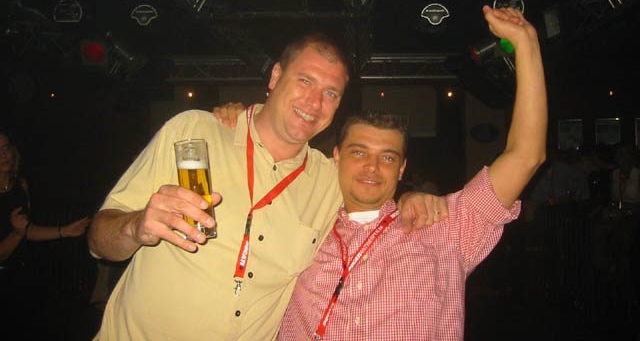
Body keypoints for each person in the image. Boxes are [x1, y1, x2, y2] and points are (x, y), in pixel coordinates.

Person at [88, 33, 447, 340]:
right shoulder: (194, 131)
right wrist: (135, 227)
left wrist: (410, 197)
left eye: (331, 93)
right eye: (304, 81)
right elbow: (99, 241)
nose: (314, 103)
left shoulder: (329, 180)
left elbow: (374, 190)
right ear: (276, 76)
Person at [277, 5, 547, 340]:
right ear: (336, 157)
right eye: (358, 152)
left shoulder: (444, 227)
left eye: (388, 158)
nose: (372, 167)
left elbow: (526, 156)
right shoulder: (302, 232)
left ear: (402, 167)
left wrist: (526, 44)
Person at [0, 129, 90, 266]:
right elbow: (19, 233)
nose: (3, 155)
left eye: (5, 148)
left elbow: (26, 230)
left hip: (22, 268)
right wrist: (16, 234)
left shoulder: (20, 185)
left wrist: (65, 231)